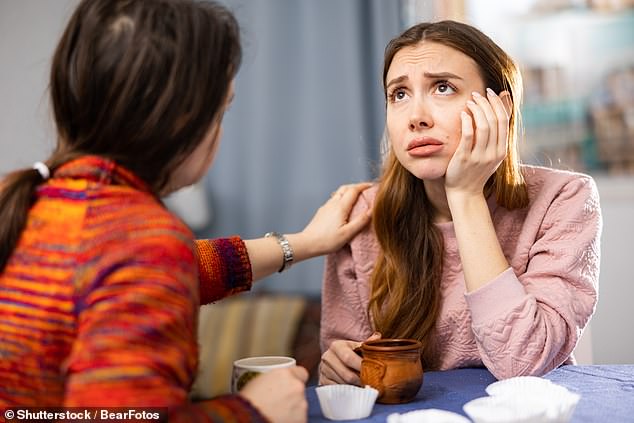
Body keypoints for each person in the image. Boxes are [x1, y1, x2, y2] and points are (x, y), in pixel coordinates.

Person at [0, 1, 371, 422]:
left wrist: (304, 244)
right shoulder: (141, 240)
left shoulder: (39, 208)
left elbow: (187, 266)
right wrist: (252, 411)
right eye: (222, 109)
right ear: (183, 118)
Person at [319, 20, 601, 385]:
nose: (416, 117)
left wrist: (466, 196)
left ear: (500, 108)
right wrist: (340, 369)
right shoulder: (360, 215)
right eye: (399, 94)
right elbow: (348, 373)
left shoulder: (564, 199)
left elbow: (522, 362)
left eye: (442, 87)